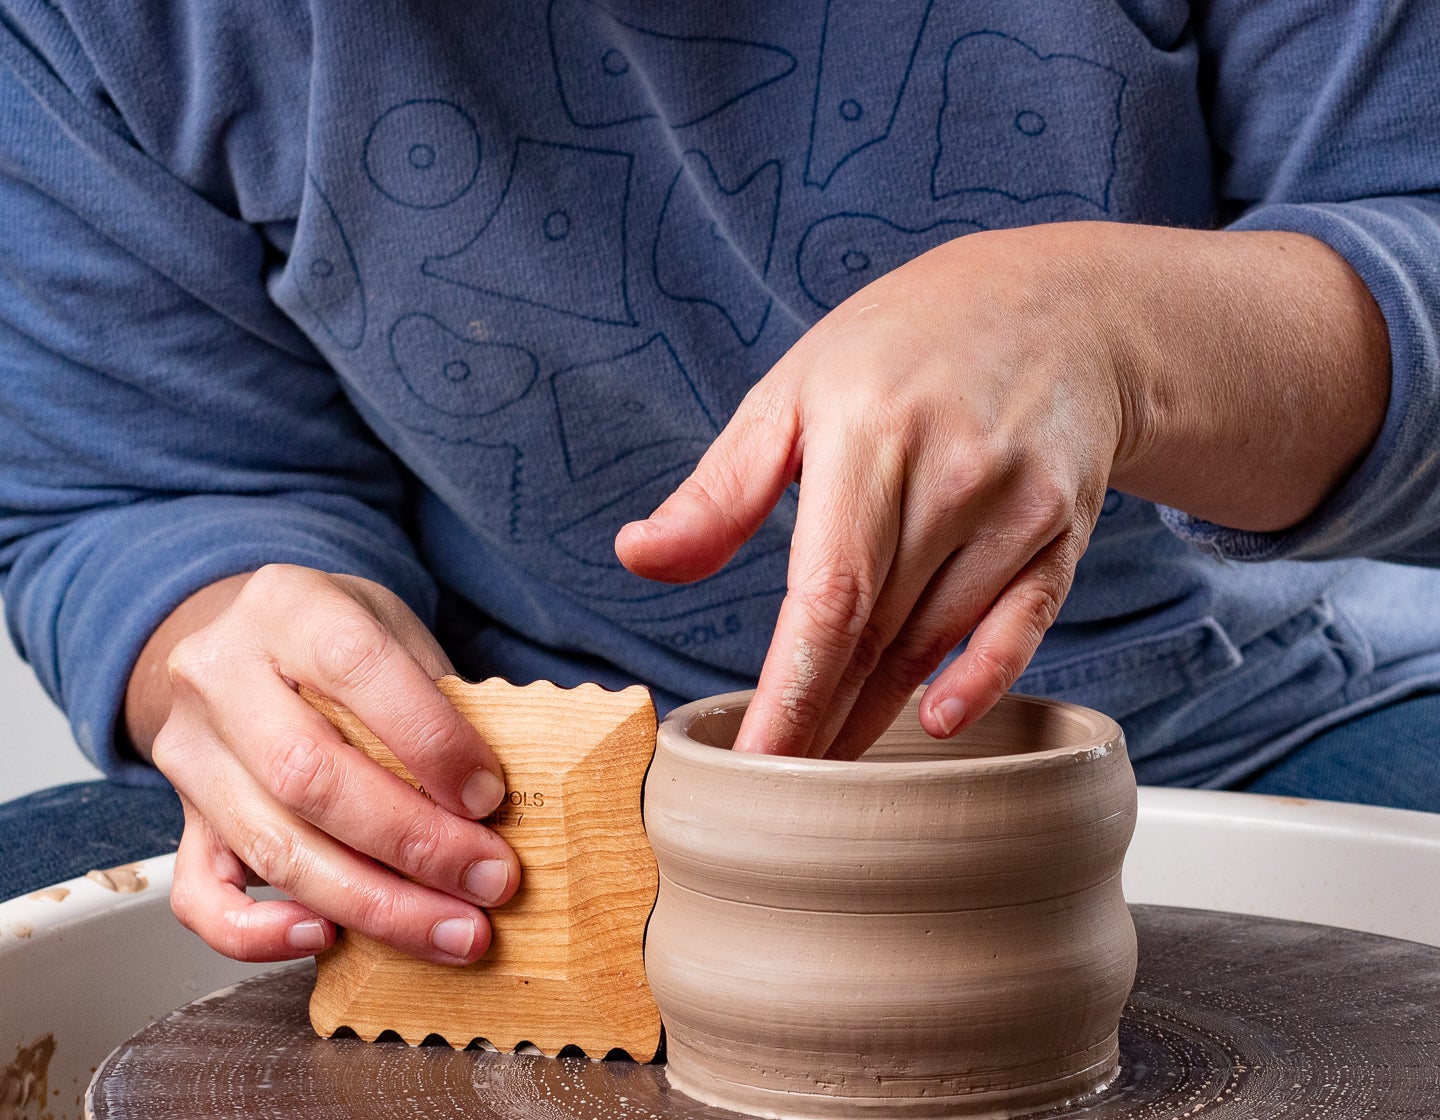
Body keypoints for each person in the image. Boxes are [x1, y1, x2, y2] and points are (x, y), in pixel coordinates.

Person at [1, 1, 1437, 961]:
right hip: (547, 783)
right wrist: (220, 633)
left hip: (1269, 711)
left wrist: (1117, 334)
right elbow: (133, 487)